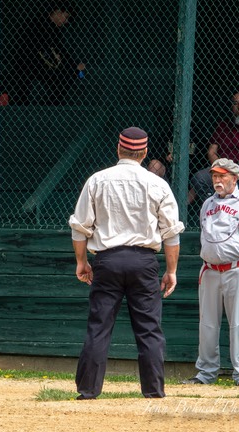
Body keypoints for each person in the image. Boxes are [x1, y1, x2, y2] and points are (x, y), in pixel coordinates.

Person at [68, 127, 185, 400]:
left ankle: (88, 390)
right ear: (144, 153)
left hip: (107, 261)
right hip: (144, 262)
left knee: (99, 326)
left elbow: (79, 227)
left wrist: (82, 263)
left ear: (118, 149)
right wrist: (171, 271)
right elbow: (171, 233)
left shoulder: (97, 180)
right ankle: (154, 391)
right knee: (149, 328)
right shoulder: (158, 184)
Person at [182, 158, 239, 386]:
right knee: (207, 325)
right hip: (209, 270)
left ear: (234, 177)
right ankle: (205, 374)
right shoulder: (207, 204)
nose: (217, 180)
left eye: (222, 176)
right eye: (214, 176)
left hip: (237, 269)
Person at [6, 2, 85, 105]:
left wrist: (72, 65)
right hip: (28, 63)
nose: (66, 22)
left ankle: (49, 106)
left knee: (72, 74)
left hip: (42, 64)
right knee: (65, 74)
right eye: (65, 17)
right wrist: (68, 64)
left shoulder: (53, 29)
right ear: (59, 13)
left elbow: (59, 50)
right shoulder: (39, 25)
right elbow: (47, 51)